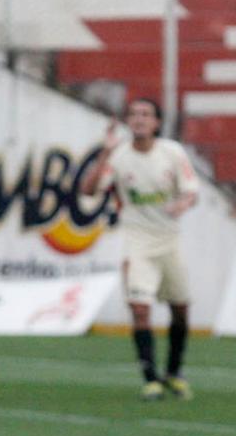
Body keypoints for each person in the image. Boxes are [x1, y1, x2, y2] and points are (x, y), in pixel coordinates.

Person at [80, 98, 199, 400]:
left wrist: (182, 204)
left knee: (181, 310)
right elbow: (88, 190)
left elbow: (190, 191)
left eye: (146, 114)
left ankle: (173, 373)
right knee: (140, 309)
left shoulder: (171, 152)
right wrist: (105, 151)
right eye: (133, 114)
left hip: (169, 240)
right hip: (138, 242)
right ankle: (151, 378)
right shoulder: (118, 157)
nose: (139, 119)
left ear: (157, 123)